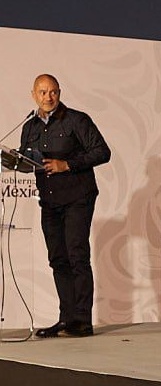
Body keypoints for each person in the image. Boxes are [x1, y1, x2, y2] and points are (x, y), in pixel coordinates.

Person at [20, 74, 111, 338]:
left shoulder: (76, 120)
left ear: (59, 93)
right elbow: (27, 159)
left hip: (77, 197)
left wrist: (66, 164)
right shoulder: (29, 126)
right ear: (34, 95)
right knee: (58, 258)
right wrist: (16, 161)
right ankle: (66, 319)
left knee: (76, 255)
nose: (48, 97)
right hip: (50, 200)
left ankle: (82, 321)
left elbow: (102, 152)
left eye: (53, 92)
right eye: (42, 92)